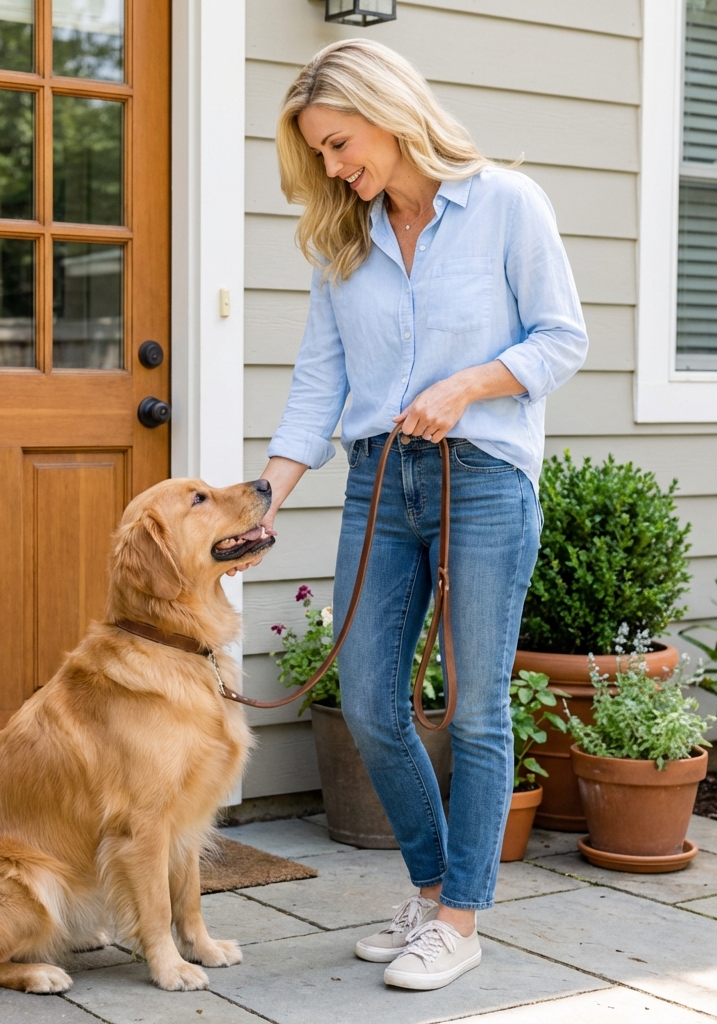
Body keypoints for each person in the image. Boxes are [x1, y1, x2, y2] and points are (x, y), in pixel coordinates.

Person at [240, 39, 587, 991]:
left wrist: (469, 386)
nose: (334, 168)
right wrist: (269, 492)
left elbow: (563, 339)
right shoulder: (343, 237)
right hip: (376, 478)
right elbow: (320, 378)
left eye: (341, 143)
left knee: (476, 711)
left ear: (391, 115)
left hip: (482, 475)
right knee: (366, 702)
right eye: (319, 155)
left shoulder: (506, 204)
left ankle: (462, 920)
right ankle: (435, 894)